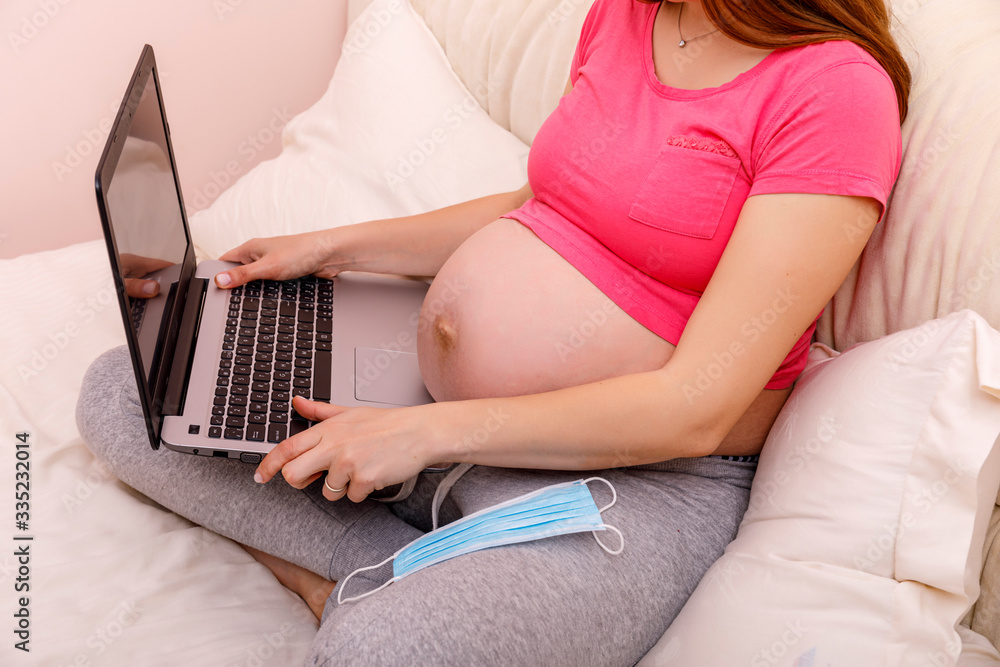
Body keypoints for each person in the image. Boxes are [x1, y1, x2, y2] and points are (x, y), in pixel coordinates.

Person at [77, 0, 909, 664]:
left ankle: (353, 584)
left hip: (646, 473)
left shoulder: (836, 94)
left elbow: (695, 406)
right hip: (443, 424)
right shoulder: (631, 13)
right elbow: (547, 202)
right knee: (130, 391)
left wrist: (423, 434)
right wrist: (331, 248)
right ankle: (415, 556)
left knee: (378, 652)